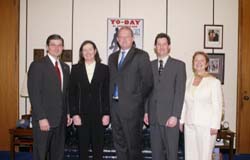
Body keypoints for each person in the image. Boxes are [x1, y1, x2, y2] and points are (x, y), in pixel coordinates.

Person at [108, 26, 153, 160]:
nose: (124, 39)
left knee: (133, 147)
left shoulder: (141, 55)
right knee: (119, 145)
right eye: (121, 37)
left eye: (127, 36)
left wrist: (136, 99)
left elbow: (148, 83)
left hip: (133, 109)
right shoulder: (112, 57)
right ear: (117, 39)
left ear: (133, 39)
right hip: (115, 107)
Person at [27, 34, 72, 160]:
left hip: (61, 120)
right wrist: (41, 117)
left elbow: (66, 93)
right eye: (53, 45)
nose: (56, 48)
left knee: (57, 154)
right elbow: (34, 93)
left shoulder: (65, 67)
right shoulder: (38, 65)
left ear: (62, 48)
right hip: (44, 120)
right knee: (41, 154)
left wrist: (68, 113)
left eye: (59, 45)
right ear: (47, 47)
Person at [144, 33, 186, 160]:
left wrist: (175, 115)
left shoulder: (179, 65)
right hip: (153, 117)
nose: (161, 47)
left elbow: (180, 92)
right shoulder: (149, 66)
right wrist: (146, 112)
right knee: (156, 154)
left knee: (171, 153)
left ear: (169, 47)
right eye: (158, 44)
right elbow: (146, 91)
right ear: (155, 47)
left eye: (164, 44)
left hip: (170, 118)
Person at [69, 40, 110, 160]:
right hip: (81, 116)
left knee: (98, 150)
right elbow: (71, 94)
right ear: (81, 53)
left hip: (100, 116)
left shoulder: (104, 69)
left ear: (95, 51)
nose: (87, 52)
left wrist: (107, 113)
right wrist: (74, 114)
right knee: (83, 151)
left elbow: (107, 93)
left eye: (90, 49)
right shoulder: (76, 69)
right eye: (84, 50)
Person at [179, 51, 223, 160]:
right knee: (190, 155)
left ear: (207, 64)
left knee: (204, 156)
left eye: (202, 60)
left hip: (206, 126)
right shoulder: (188, 81)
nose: (199, 63)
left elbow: (218, 105)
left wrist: (215, 125)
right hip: (189, 124)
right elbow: (184, 102)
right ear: (193, 64)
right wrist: (181, 121)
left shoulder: (214, 82)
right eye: (196, 60)